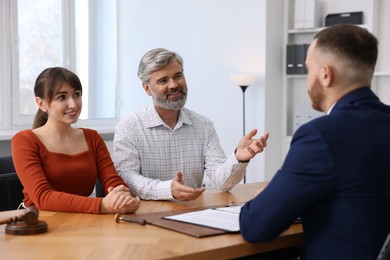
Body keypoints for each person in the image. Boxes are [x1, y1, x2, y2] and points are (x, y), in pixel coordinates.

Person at [239, 24, 390, 259]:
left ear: (326, 74)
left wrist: (268, 198)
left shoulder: (321, 135)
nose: (308, 79)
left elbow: (256, 226)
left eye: (309, 69)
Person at [113, 48, 269, 201]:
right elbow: (127, 178)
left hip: (192, 213)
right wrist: (168, 189)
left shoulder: (203, 125)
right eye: (163, 80)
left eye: (178, 76)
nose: (174, 85)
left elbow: (223, 183)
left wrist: (238, 159)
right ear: (147, 88)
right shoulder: (128, 128)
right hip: (144, 216)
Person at [11, 67, 140, 214]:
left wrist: (123, 198)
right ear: (41, 104)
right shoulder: (24, 140)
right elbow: (42, 197)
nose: (73, 104)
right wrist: (101, 205)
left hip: (82, 219)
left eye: (76, 95)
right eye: (62, 97)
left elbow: (113, 181)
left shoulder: (92, 137)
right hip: (38, 223)